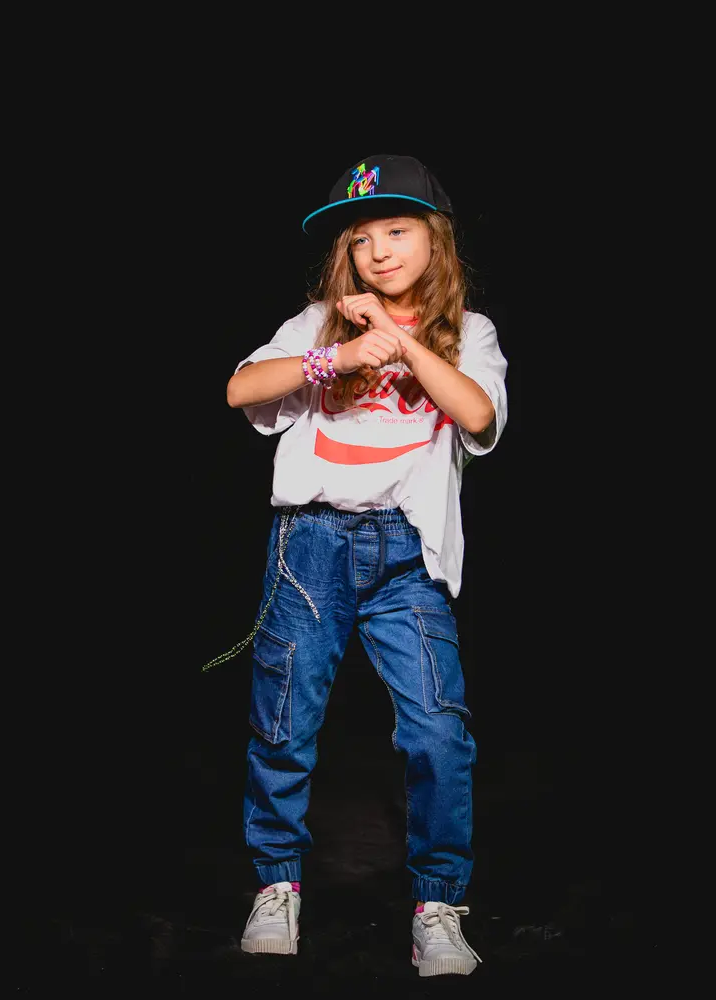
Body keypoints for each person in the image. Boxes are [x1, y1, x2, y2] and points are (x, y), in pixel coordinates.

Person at [216, 154, 507, 977]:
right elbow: (241, 390)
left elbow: (476, 413)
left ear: (435, 238)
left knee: (436, 732)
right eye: (360, 238)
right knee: (283, 725)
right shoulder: (317, 323)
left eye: (397, 230)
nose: (378, 251)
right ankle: (276, 887)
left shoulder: (470, 332)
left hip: (407, 555)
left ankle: (437, 906)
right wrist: (337, 358)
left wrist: (399, 340)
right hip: (309, 544)